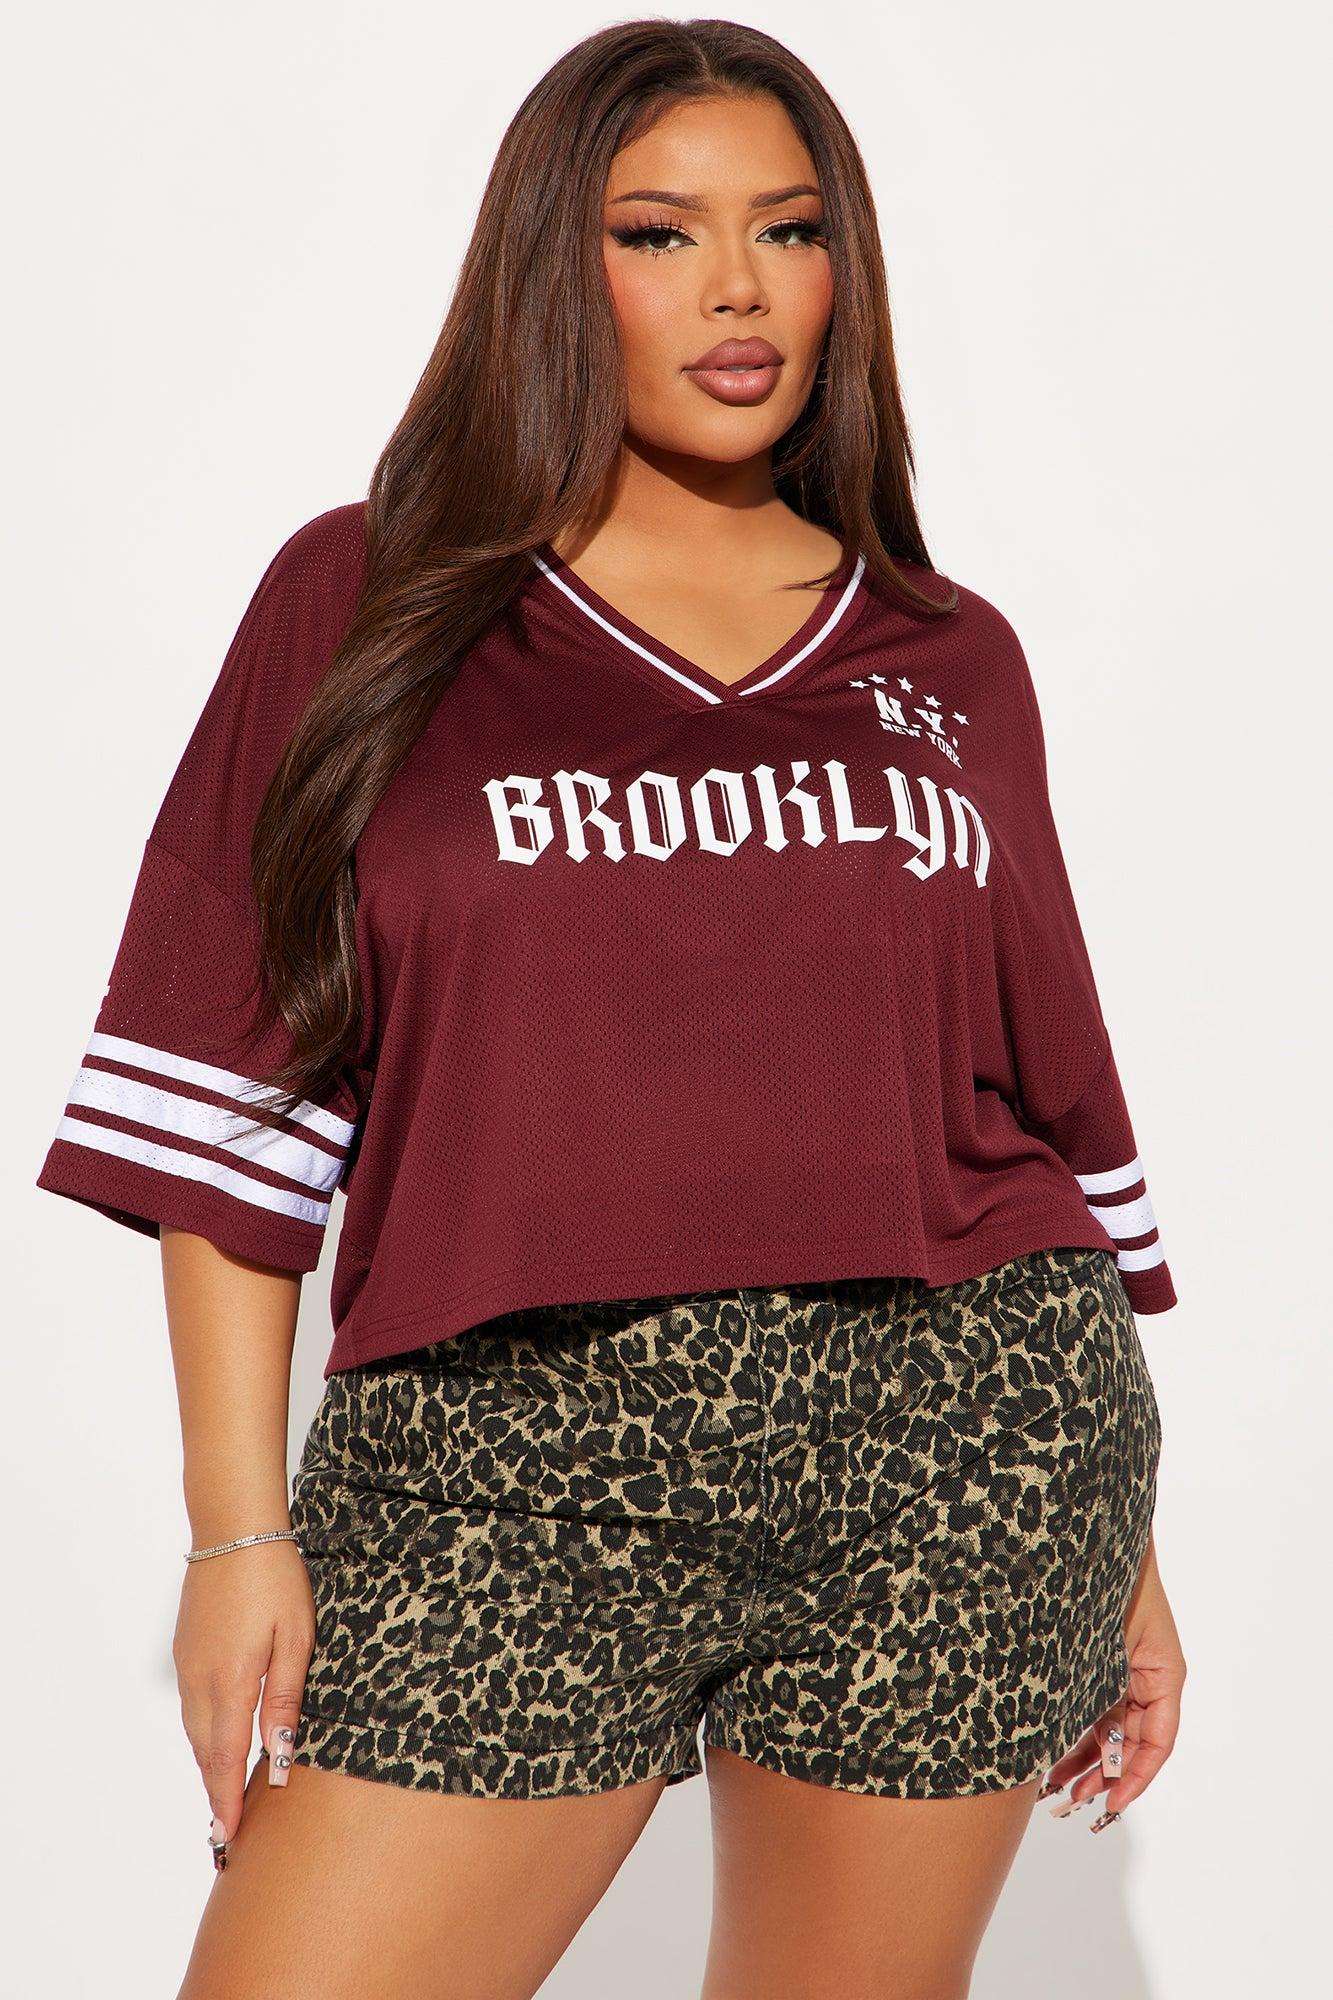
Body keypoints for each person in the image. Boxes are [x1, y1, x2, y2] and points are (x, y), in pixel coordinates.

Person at [35, 18, 1186, 1998]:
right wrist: (238, 1537)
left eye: (789, 231)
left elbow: (1030, 1111)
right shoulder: (372, 600)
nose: (737, 288)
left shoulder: (944, 654)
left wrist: (1123, 1555)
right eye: (658, 234)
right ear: (550, 273)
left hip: (962, 1458)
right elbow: (233, 1093)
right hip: (501, 1461)